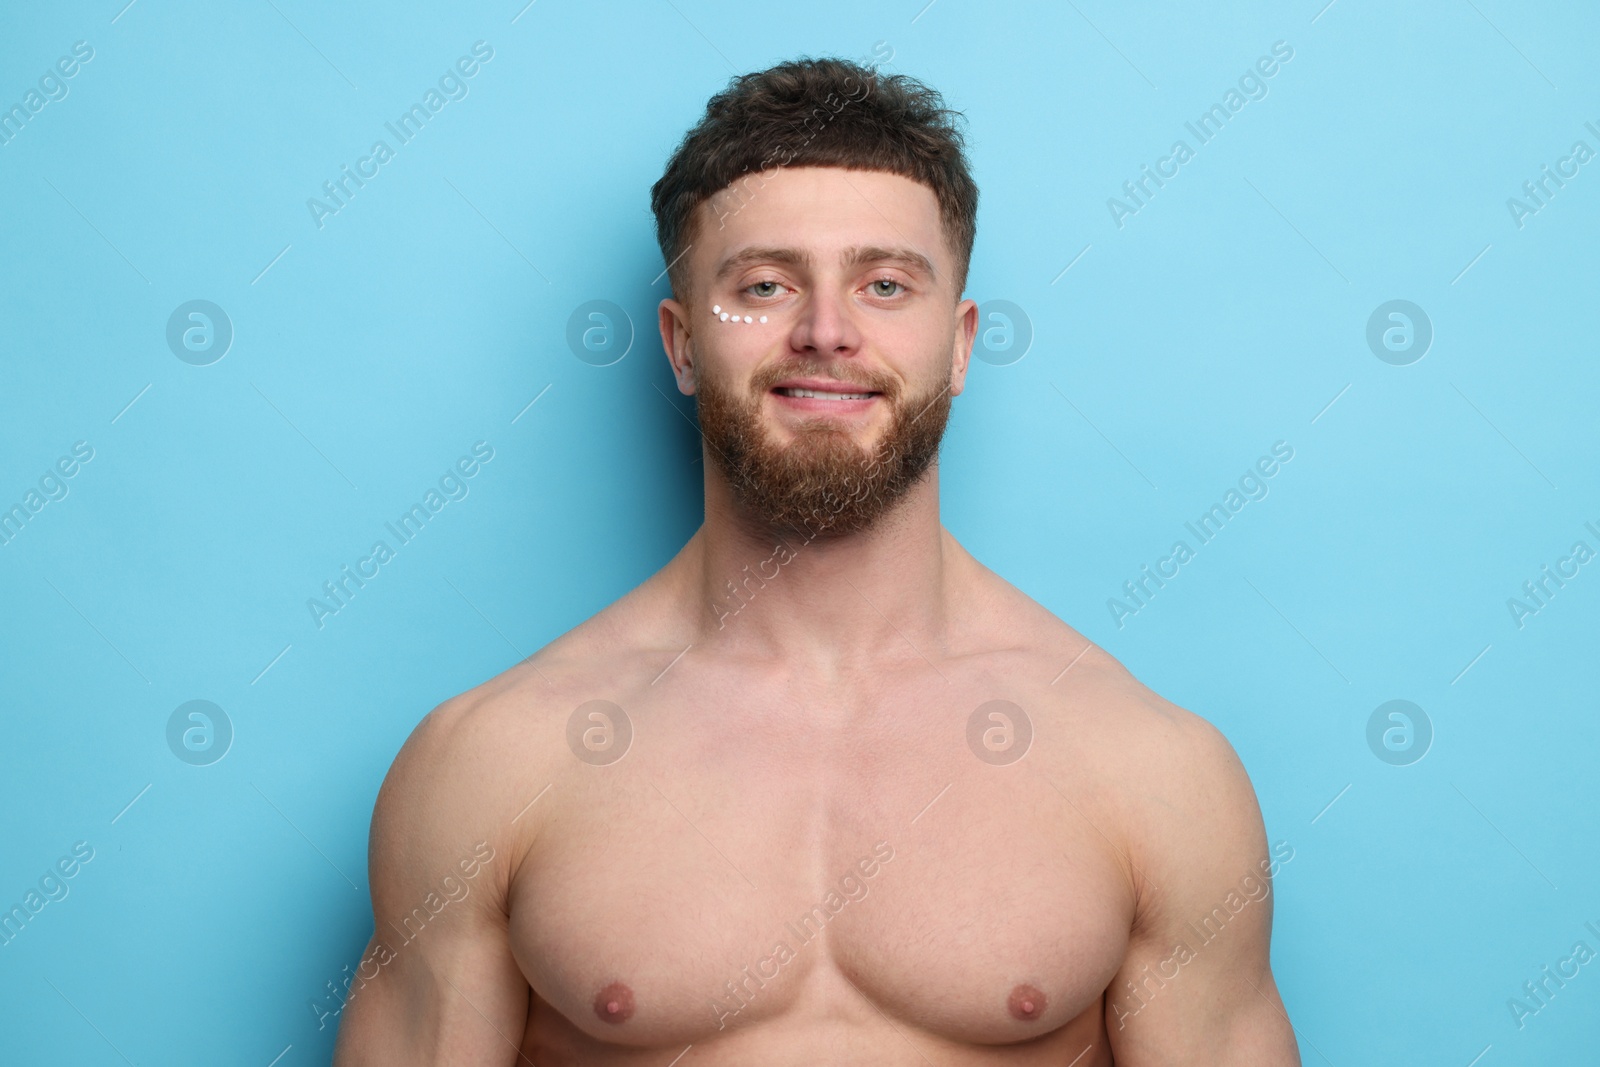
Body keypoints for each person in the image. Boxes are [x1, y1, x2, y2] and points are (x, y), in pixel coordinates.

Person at [333, 55, 1301, 1065]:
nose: (826, 332)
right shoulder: (493, 762)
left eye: (884, 284)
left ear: (960, 343)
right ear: (680, 344)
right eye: (764, 285)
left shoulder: (1148, 771)